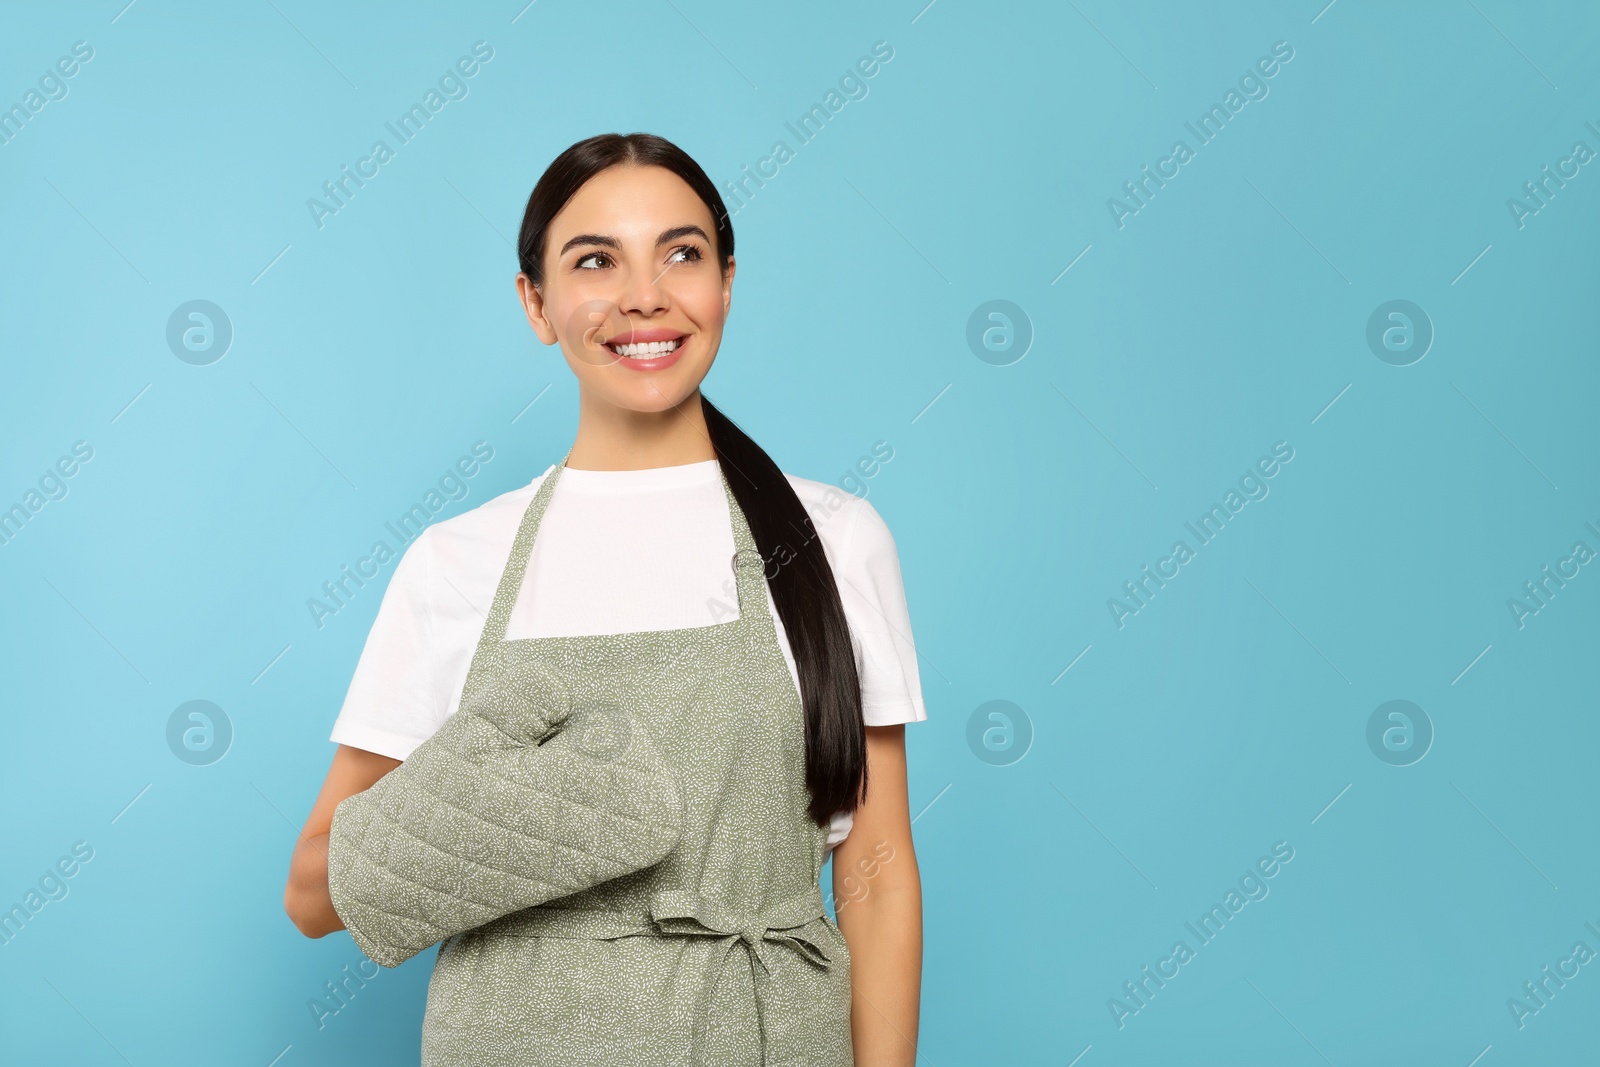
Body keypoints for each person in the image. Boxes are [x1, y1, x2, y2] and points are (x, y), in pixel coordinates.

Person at [282, 131, 926, 1065]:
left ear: (727, 282)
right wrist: (521, 811)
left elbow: (873, 871)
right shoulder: (457, 562)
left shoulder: (832, 539)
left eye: (682, 253)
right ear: (536, 304)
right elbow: (312, 894)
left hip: (762, 1034)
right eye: (595, 261)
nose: (645, 294)